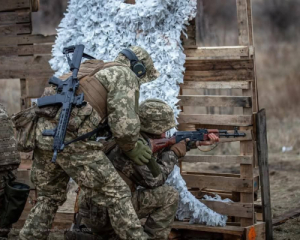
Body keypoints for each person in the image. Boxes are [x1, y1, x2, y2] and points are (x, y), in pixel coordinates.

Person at [19, 46, 160, 240]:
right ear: (139, 68)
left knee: (48, 198)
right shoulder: (123, 74)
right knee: (118, 194)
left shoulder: (89, 69)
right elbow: (125, 128)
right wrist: (131, 147)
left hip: (44, 137)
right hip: (72, 142)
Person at [68, 99, 219, 240]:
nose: (166, 133)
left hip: (92, 212)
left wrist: (193, 142)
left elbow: (160, 148)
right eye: (164, 129)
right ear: (156, 129)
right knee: (169, 195)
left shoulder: (126, 136)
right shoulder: (135, 148)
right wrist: (174, 153)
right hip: (105, 215)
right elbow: (155, 180)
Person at [0, 104, 30, 239]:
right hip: (9, 160)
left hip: (3, 159)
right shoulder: (2, 108)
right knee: (5, 197)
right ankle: (3, 230)